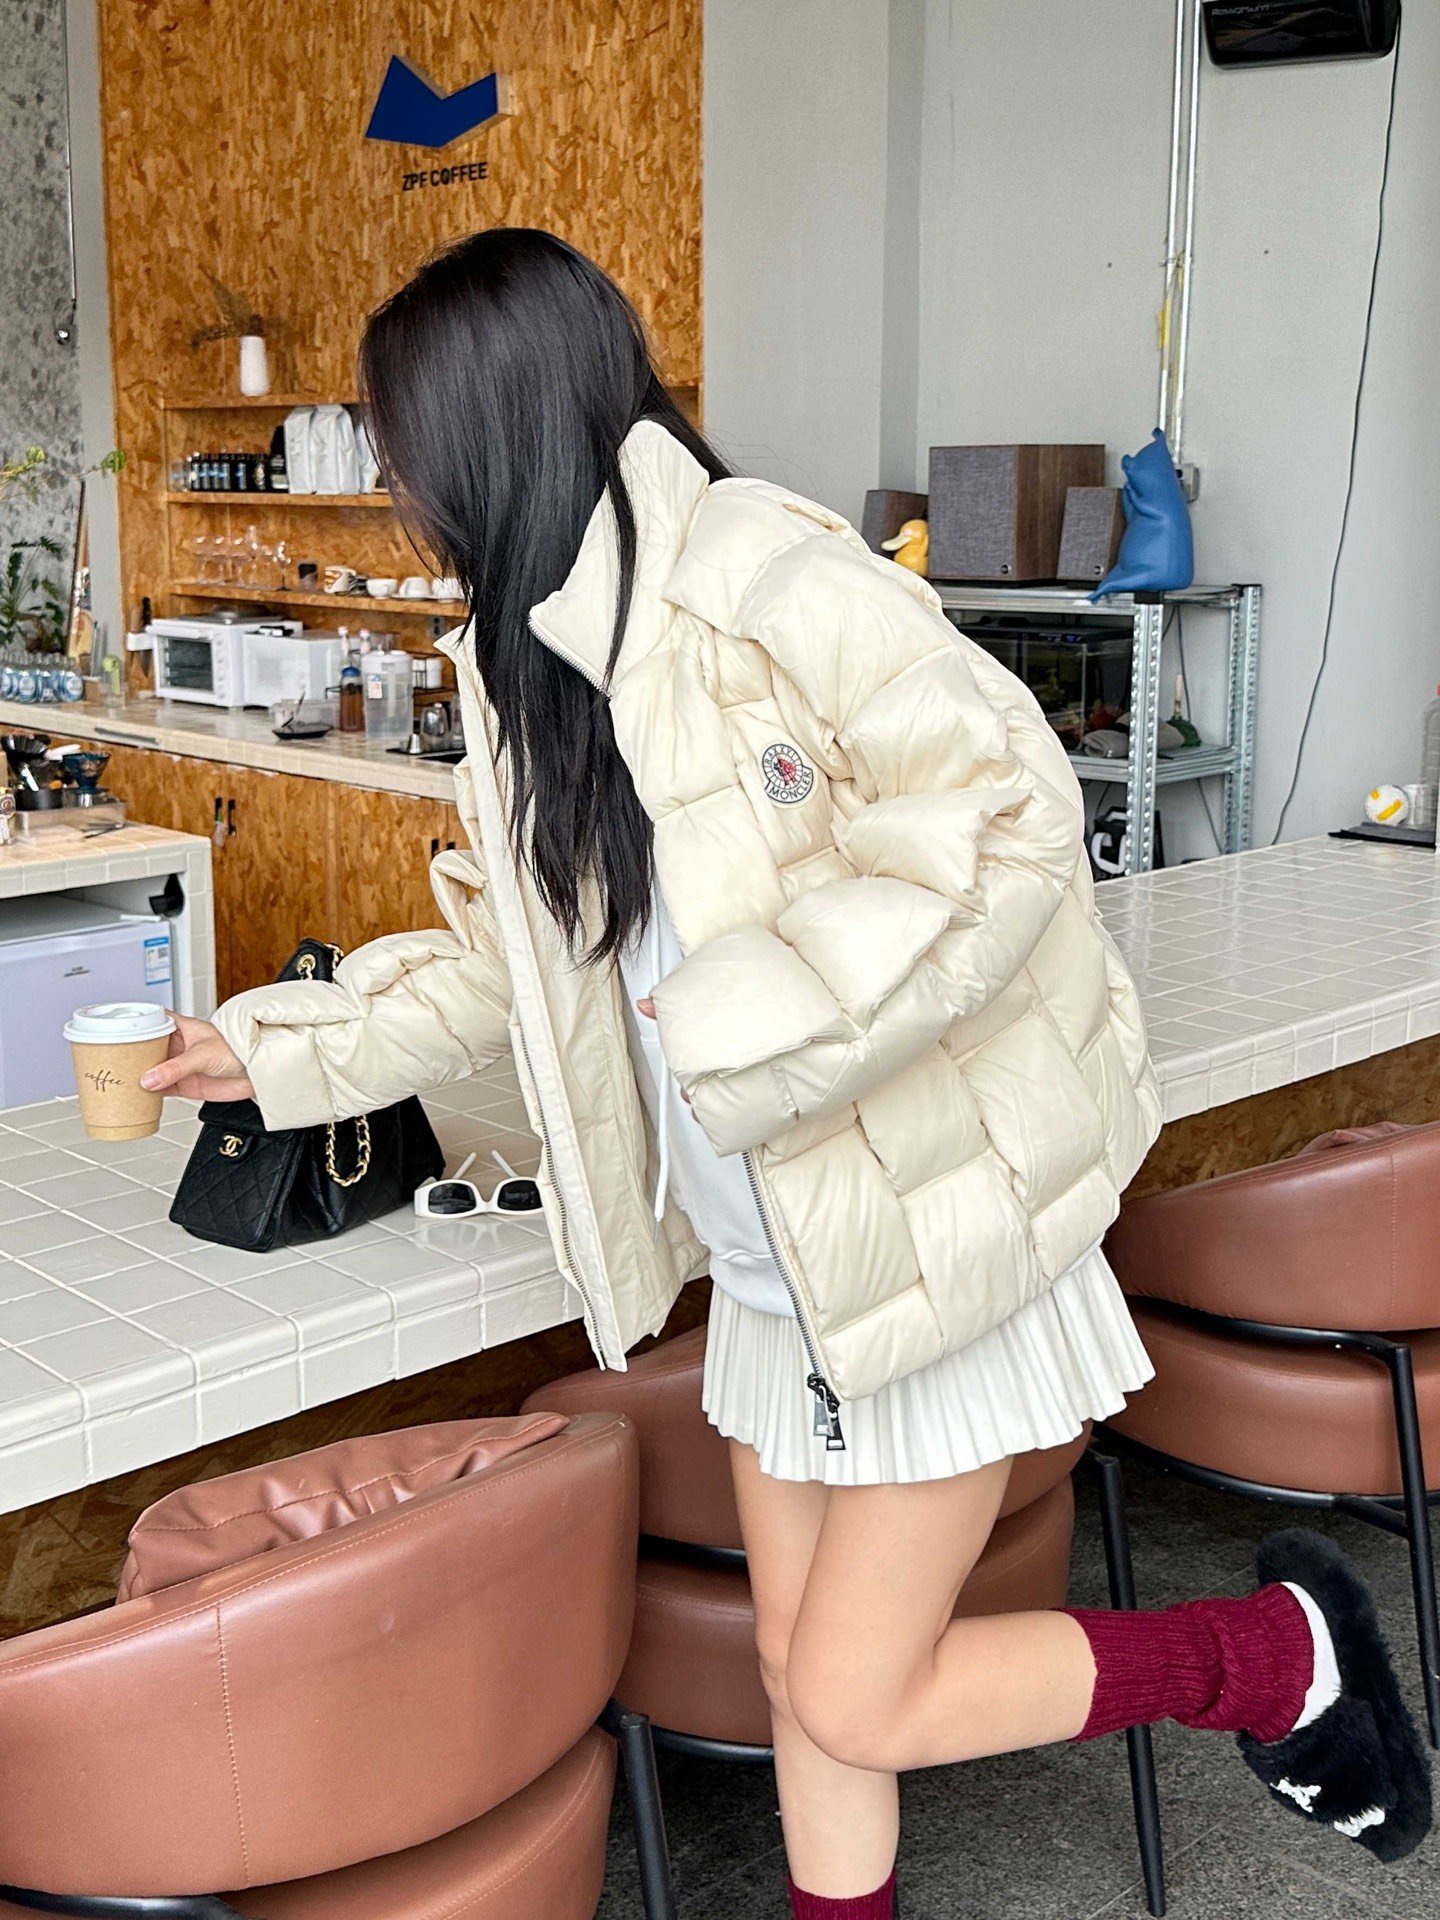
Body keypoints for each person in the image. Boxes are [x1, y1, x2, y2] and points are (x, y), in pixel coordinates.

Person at [146, 229, 1430, 1914]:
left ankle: (1270, 1657)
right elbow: (516, 964)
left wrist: (743, 1008)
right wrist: (276, 1044)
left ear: (492, 433)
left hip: (923, 1235)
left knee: (854, 1690)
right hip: (774, 1272)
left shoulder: (768, 574)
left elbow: (1005, 817)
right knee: (798, 1680)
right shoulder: (524, 668)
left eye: (407, 450)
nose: (400, 492)